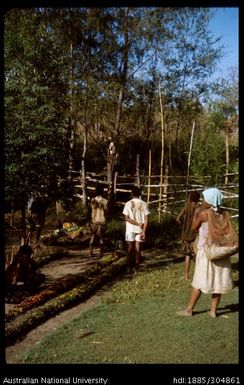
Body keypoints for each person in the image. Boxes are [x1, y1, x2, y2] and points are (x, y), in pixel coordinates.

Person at [176, 187, 238, 318]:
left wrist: (197, 212)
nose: (203, 201)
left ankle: (189, 310)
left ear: (210, 200)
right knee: (218, 282)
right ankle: (213, 311)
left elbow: (193, 227)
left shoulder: (204, 214)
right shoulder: (224, 214)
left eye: (205, 199)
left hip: (207, 252)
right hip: (221, 253)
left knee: (199, 282)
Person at [123, 186, 150, 274]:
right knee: (138, 249)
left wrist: (136, 224)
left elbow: (126, 218)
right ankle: (136, 269)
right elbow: (146, 220)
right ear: (140, 194)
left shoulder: (128, 203)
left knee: (130, 248)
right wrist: (144, 231)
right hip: (140, 229)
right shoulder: (144, 204)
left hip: (130, 229)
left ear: (131, 194)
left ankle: (128, 267)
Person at [176, 190, 201, 281]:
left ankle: (186, 276)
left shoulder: (186, 208)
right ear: (198, 199)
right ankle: (198, 275)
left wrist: (183, 225)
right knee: (197, 255)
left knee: (187, 256)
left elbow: (177, 219)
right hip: (195, 234)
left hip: (186, 234)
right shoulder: (199, 208)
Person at [89, 185, 108, 258]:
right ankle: (101, 253)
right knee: (101, 238)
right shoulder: (105, 201)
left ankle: (90, 253)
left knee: (92, 237)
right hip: (102, 221)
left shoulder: (92, 200)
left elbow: (91, 210)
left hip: (94, 221)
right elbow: (107, 211)